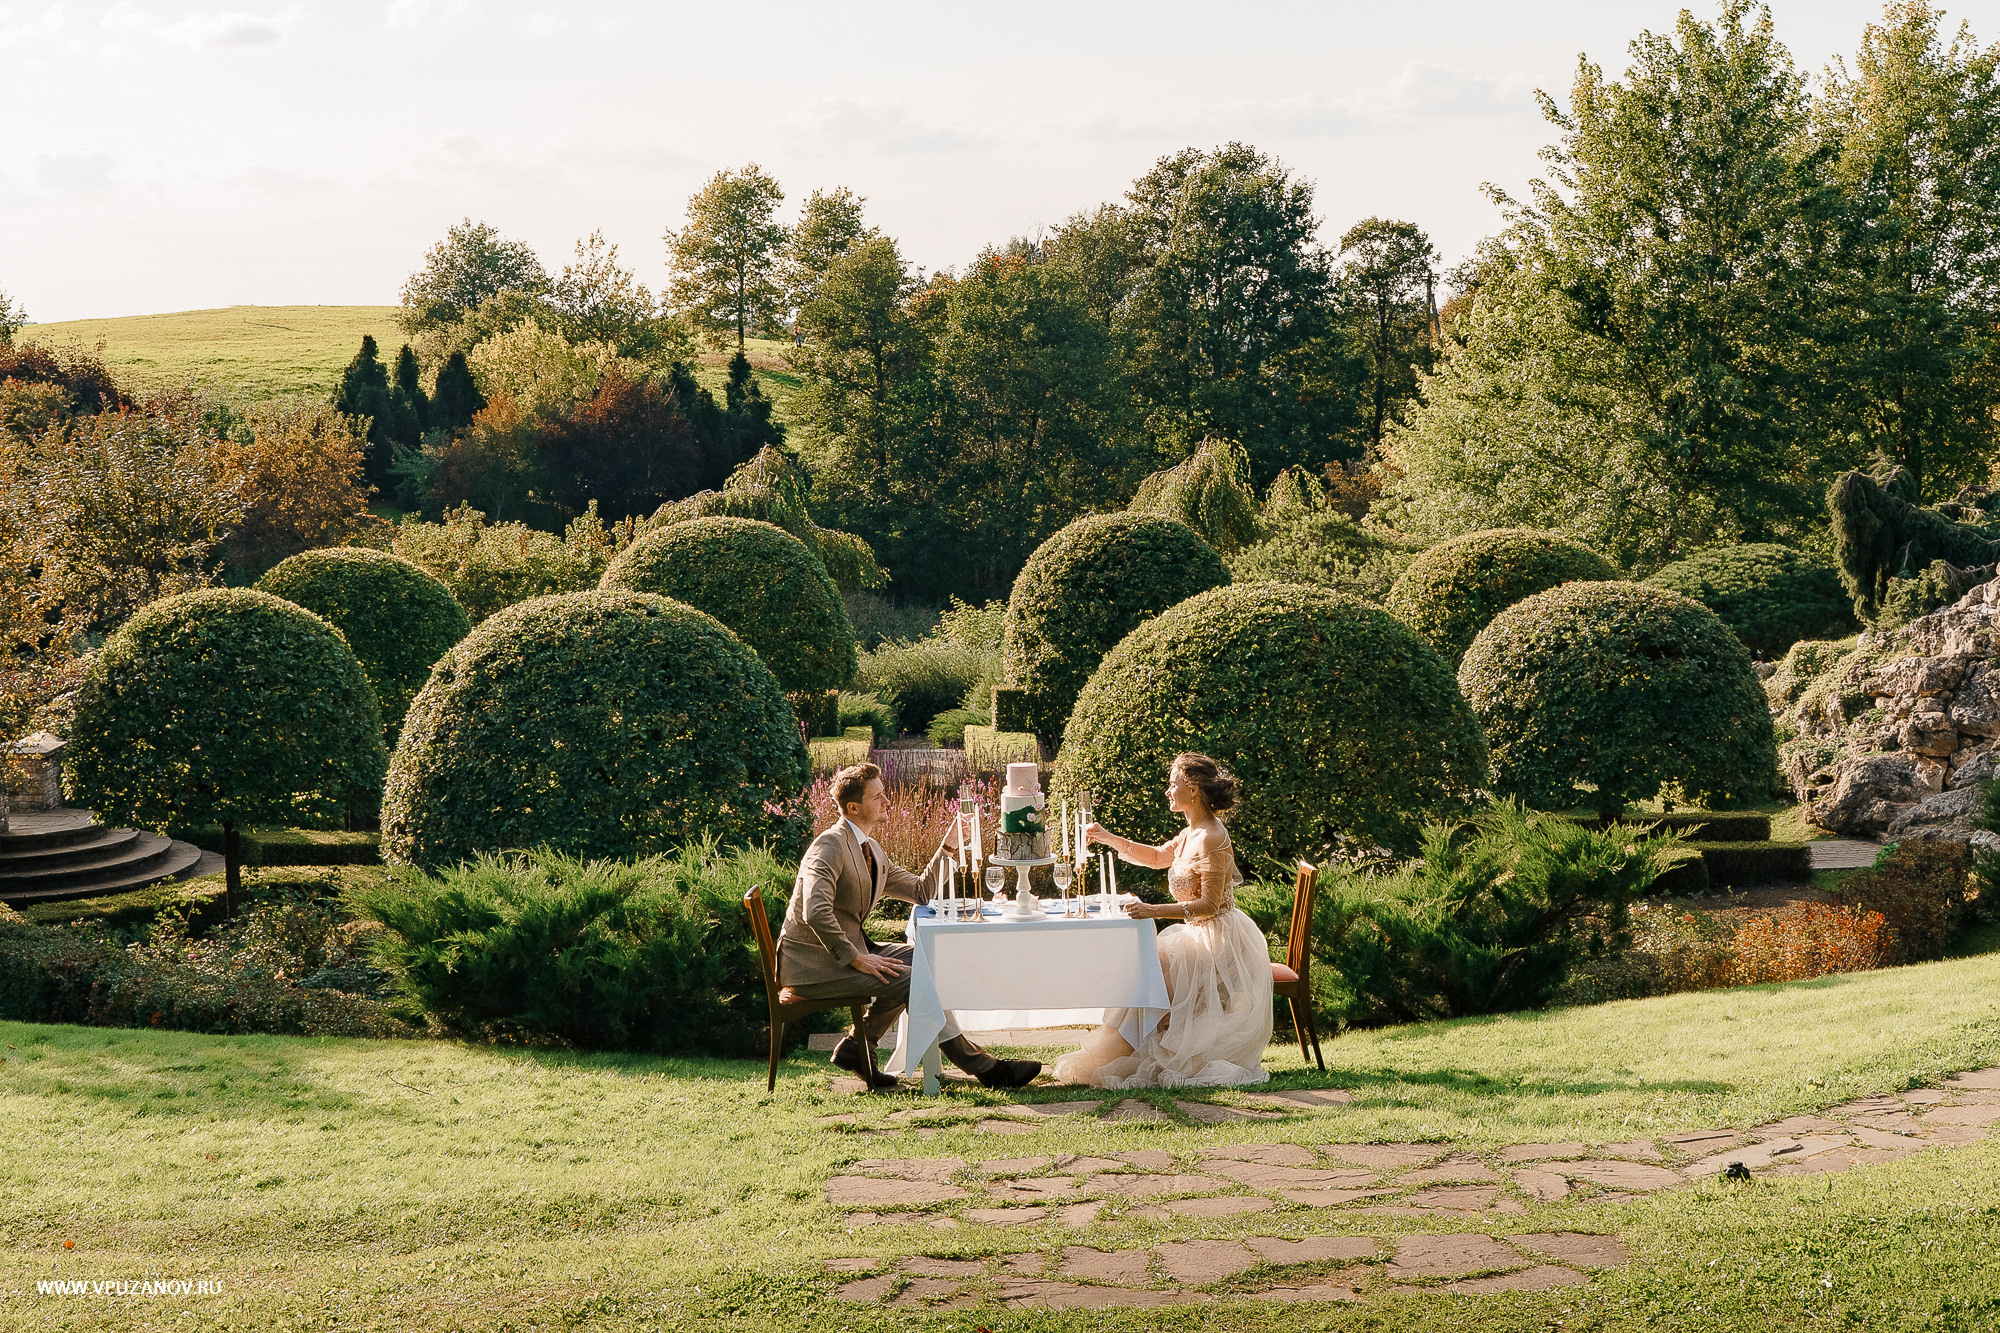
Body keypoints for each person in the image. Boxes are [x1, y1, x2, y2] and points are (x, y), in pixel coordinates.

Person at [777, 762, 1041, 1092]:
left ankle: (857, 1047)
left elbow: (920, 891)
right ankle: (986, 1069)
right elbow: (813, 910)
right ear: (854, 807)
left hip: (851, 950)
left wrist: (949, 844)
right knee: (917, 981)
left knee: (925, 962)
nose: (887, 801)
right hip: (815, 965)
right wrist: (857, 959)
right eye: (878, 797)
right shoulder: (829, 845)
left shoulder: (870, 848)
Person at [1053, 753, 1273, 1088]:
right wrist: (1108, 838)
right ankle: (1131, 1049)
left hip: (1220, 940)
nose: (1168, 791)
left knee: (1153, 963)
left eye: (1173, 784)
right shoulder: (1191, 832)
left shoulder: (1211, 836)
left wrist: (1153, 910)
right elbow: (1158, 856)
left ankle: (1147, 1047)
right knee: (1145, 963)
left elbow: (1210, 906)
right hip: (1197, 932)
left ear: (1194, 789)